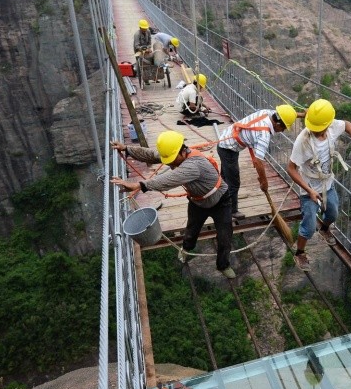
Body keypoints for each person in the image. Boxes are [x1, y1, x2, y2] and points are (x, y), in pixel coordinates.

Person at [111, 131, 235, 278]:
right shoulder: (175, 156)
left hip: (221, 202)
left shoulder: (193, 165)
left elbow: (169, 180)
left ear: (183, 151)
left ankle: (223, 265)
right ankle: (186, 249)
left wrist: (140, 185)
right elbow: (151, 154)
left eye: (170, 159)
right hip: (197, 202)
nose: (169, 163)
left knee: (225, 236)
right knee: (191, 231)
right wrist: (126, 149)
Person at [286, 99, 351, 272]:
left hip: (327, 184)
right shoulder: (303, 141)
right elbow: (291, 169)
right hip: (309, 188)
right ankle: (299, 252)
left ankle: (325, 229)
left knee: (333, 213)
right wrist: (309, 191)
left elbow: (347, 124)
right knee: (308, 224)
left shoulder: (332, 127)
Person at [217, 104, 299, 221]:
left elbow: (285, 114)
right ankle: (231, 211)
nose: (283, 131)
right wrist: (264, 182)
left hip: (226, 138)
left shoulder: (268, 113)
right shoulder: (264, 135)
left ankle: (220, 200)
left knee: (225, 177)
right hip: (228, 149)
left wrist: (301, 115)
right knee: (234, 183)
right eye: (284, 128)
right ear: (278, 124)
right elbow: (259, 161)